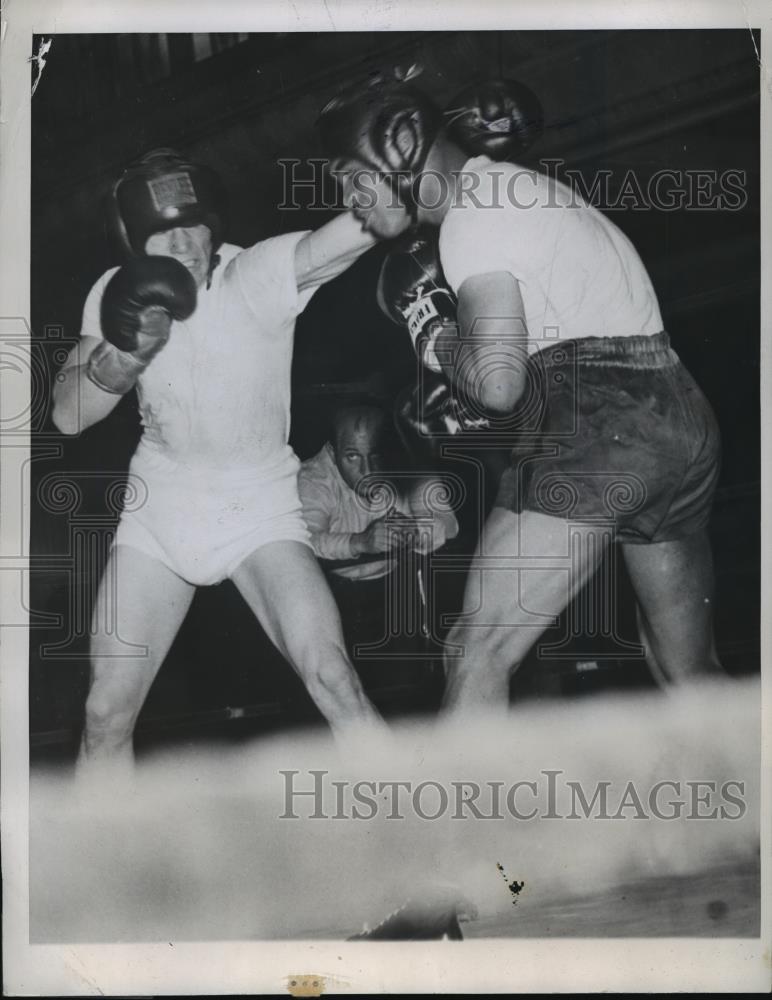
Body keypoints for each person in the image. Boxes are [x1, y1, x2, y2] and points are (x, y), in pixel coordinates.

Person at [317, 73, 725, 715]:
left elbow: (499, 383)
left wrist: (433, 334)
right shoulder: (523, 190)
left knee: (474, 651)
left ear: (397, 145)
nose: (351, 204)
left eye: (348, 179)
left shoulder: (471, 214)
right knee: (687, 669)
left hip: (604, 421)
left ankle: (464, 818)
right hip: (675, 410)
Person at [51, 147, 387, 776]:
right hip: (162, 510)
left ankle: (434, 843)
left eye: (194, 224)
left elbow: (343, 237)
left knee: (333, 677)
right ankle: (97, 868)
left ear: (217, 224)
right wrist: (123, 356)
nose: (183, 243)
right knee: (104, 714)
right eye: (162, 231)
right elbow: (69, 414)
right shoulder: (114, 292)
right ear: (133, 241)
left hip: (258, 507)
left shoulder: (254, 275)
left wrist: (391, 184)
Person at [298, 400, 458, 669]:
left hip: (395, 590)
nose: (368, 471)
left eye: (376, 455)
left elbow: (449, 523)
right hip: (331, 595)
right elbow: (302, 544)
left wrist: (416, 529)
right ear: (332, 452)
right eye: (352, 457)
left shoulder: (407, 459)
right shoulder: (312, 478)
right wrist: (359, 541)